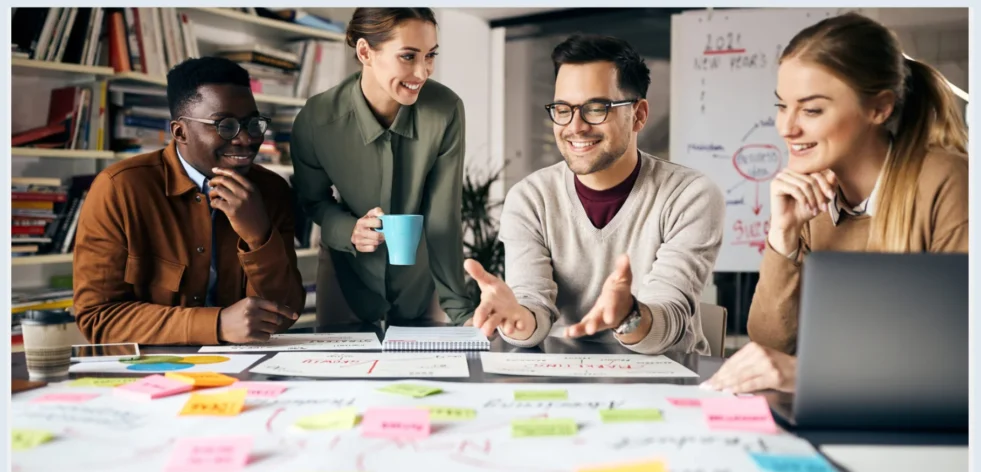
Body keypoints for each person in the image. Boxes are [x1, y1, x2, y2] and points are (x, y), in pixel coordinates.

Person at [705, 12, 968, 393]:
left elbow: (957, 359)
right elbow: (770, 346)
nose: (786, 127)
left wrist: (809, 376)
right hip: (838, 417)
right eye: (782, 106)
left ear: (879, 108)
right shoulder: (814, 202)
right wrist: (784, 235)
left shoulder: (948, 181)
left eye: (811, 110)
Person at [465, 34, 724, 355]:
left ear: (639, 115)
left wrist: (627, 316)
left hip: (664, 377)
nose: (575, 126)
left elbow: (670, 319)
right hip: (559, 377)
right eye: (563, 108)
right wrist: (520, 319)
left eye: (596, 108)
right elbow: (532, 305)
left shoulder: (690, 196)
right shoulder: (530, 198)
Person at [73, 58, 304, 346]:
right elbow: (97, 318)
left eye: (252, 124)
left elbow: (286, 312)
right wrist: (216, 325)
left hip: (244, 370)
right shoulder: (119, 189)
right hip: (150, 372)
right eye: (225, 125)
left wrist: (259, 238)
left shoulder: (271, 190)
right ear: (180, 132)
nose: (246, 139)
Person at [291, 7, 476, 326]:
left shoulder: (446, 110)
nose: (423, 72)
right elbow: (313, 201)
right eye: (408, 56)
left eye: (430, 55)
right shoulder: (316, 118)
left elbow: (442, 217)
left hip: (421, 280)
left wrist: (461, 312)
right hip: (347, 274)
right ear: (365, 52)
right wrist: (349, 230)